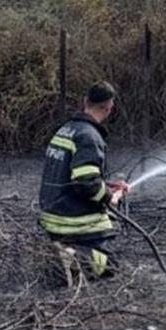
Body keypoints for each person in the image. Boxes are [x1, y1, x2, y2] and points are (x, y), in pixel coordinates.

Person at [38, 81, 130, 283]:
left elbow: (73, 175)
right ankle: (71, 256)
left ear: (85, 101)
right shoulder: (89, 137)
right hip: (73, 221)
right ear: (109, 107)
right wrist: (110, 197)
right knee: (110, 265)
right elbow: (85, 182)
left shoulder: (66, 130)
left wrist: (107, 185)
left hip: (53, 217)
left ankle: (62, 252)